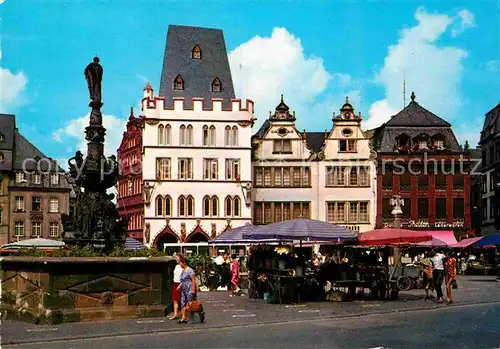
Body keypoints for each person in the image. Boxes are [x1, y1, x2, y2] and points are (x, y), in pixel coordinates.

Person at [176, 253, 197, 324]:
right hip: (184, 289)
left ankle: (193, 315)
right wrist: (179, 286)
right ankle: (183, 317)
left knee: (190, 303)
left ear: (184, 263)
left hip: (189, 288)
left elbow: (193, 280)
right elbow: (183, 280)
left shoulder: (189, 270)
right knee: (183, 303)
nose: (180, 265)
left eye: (180, 263)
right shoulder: (183, 270)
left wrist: (193, 289)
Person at [168, 253, 183, 320]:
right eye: (175, 258)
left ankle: (184, 314)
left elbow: (185, 277)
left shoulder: (183, 266)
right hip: (175, 283)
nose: (176, 259)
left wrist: (180, 285)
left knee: (182, 300)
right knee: (175, 299)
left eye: (177, 258)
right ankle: (175, 314)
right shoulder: (176, 266)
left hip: (181, 284)